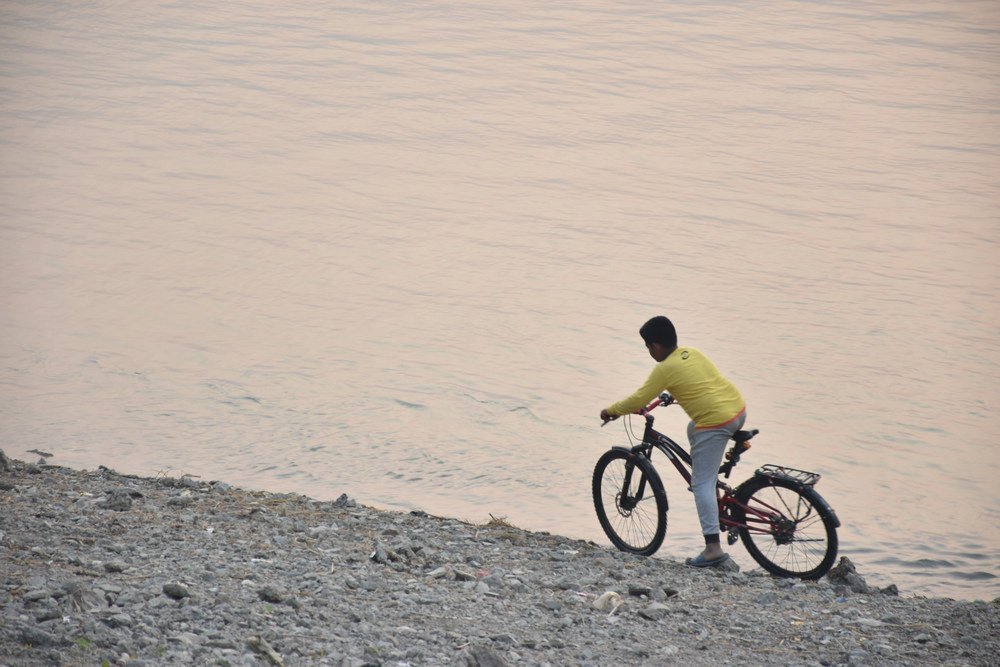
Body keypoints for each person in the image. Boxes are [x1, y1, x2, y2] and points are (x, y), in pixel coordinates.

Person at [600, 315, 747, 568]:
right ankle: (709, 481)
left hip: (716, 422)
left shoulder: (664, 369)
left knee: (700, 484)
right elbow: (702, 385)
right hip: (737, 410)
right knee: (694, 428)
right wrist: (671, 394)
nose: (649, 352)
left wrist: (611, 411)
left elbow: (638, 399)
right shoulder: (692, 353)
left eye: (648, 347)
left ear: (655, 346)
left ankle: (713, 549)